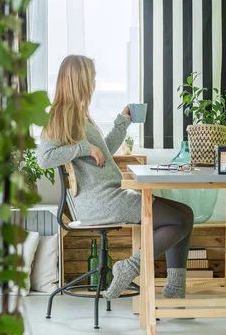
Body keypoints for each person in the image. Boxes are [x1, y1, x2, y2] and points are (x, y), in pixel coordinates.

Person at [37, 55, 194, 300]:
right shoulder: (61, 116)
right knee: (178, 220)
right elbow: (44, 158)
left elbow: (104, 154)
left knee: (185, 214)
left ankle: (174, 288)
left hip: (109, 196)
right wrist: (85, 148)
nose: (94, 83)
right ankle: (130, 267)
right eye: (92, 77)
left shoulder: (79, 114)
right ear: (80, 80)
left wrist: (122, 122)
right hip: (102, 201)